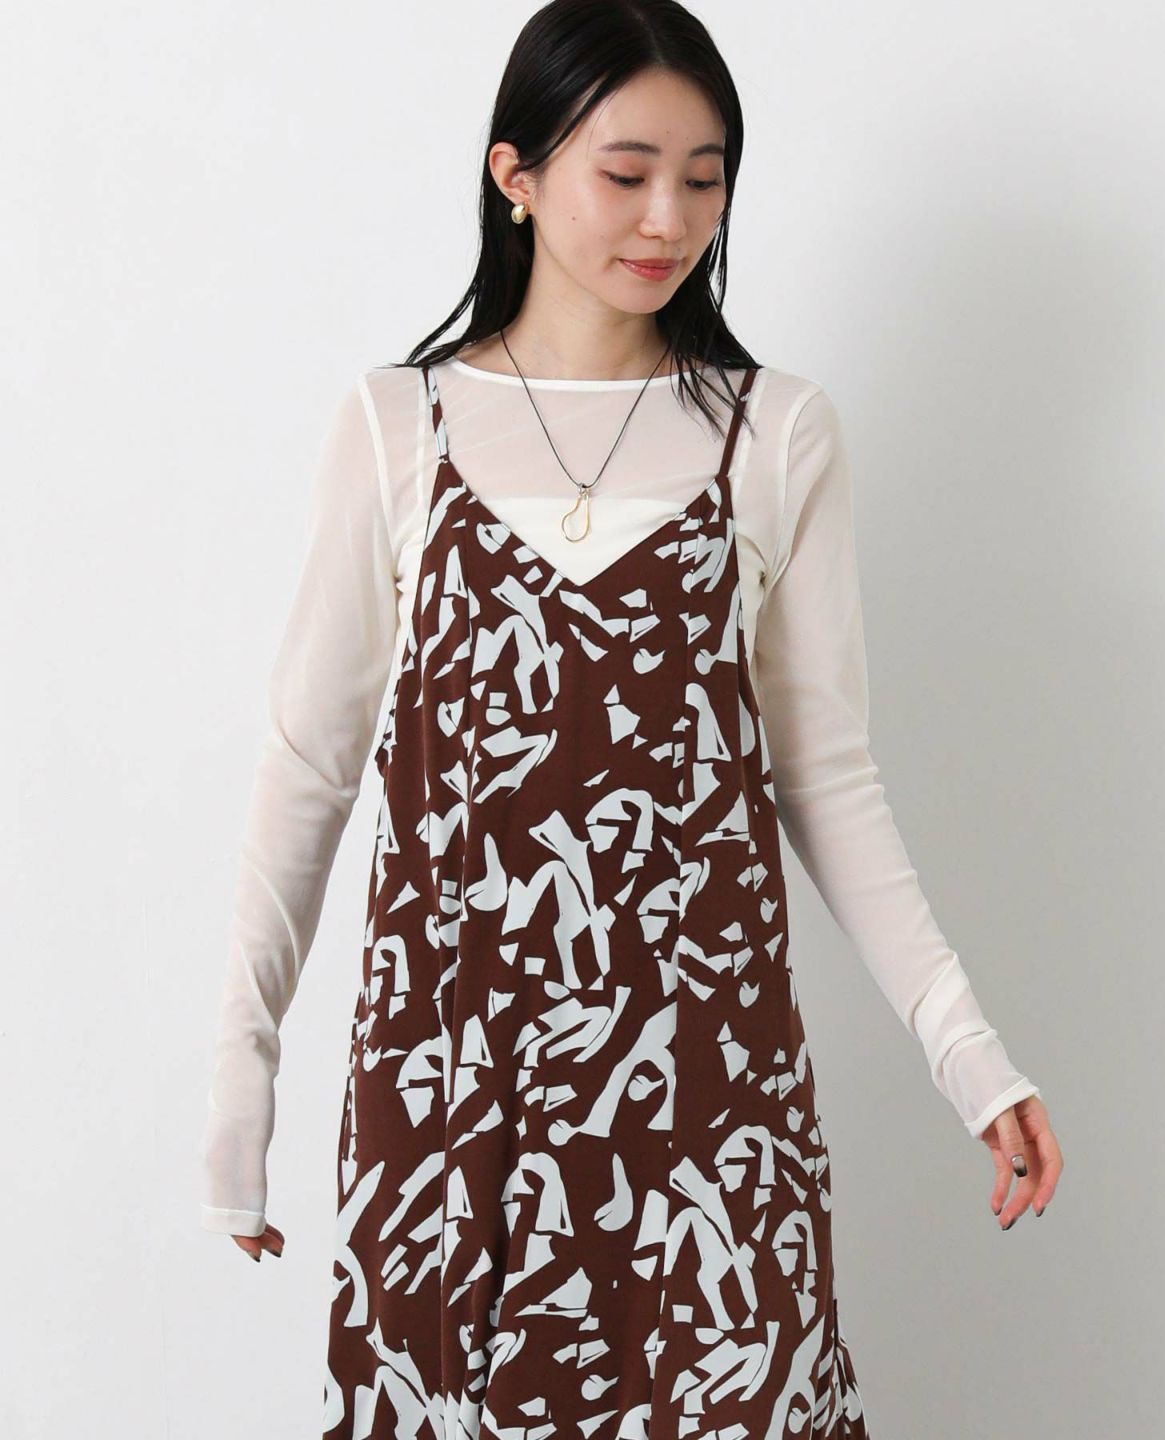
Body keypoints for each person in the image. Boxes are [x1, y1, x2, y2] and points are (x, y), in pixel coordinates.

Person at [200, 2, 1063, 1434]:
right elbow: (310, 767)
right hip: (453, 1087)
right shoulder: (397, 429)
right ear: (517, 173)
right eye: (627, 171)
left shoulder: (774, 432)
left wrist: (972, 1055)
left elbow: (824, 777)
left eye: (705, 177)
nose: (671, 218)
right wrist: (244, 1070)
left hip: (708, 1092)